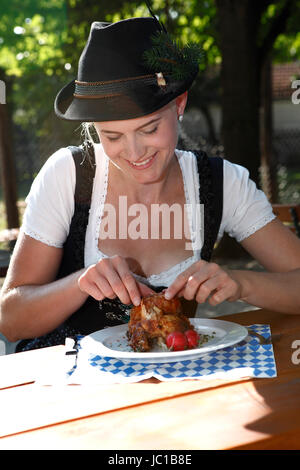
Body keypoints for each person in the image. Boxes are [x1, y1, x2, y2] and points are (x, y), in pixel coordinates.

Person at [0, 16, 300, 353]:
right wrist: (79, 283)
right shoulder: (68, 175)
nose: (134, 152)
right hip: (73, 385)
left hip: (174, 383)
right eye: (112, 136)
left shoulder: (221, 183)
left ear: (179, 104)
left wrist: (242, 282)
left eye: (149, 129)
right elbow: (10, 320)